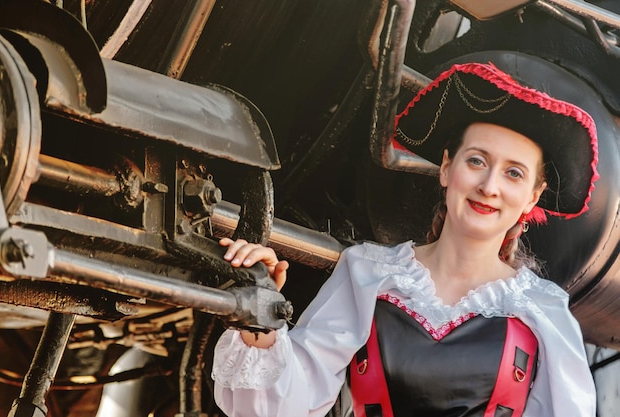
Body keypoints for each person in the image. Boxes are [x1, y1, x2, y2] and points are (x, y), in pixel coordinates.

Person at [211, 61, 599, 417]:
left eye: (514, 173)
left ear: (532, 197)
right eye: (477, 161)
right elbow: (287, 404)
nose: (489, 186)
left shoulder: (543, 311)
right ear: (447, 168)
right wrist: (259, 315)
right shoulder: (368, 274)